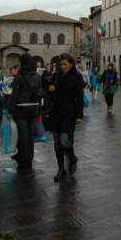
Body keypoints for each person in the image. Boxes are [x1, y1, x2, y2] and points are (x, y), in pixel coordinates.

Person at [48, 53, 84, 181]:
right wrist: (51, 88)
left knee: (64, 140)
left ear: (71, 64)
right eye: (61, 64)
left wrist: (80, 115)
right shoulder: (56, 76)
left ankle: (72, 158)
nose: (62, 66)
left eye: (65, 64)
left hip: (69, 112)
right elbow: (50, 90)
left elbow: (79, 97)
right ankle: (61, 169)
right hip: (56, 111)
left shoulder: (77, 77)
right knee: (57, 142)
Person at [9, 54, 43, 170]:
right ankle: (30, 159)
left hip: (21, 107)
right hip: (34, 107)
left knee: (23, 135)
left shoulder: (19, 77)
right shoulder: (38, 76)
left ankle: (23, 161)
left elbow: (14, 95)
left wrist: (11, 110)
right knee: (30, 135)